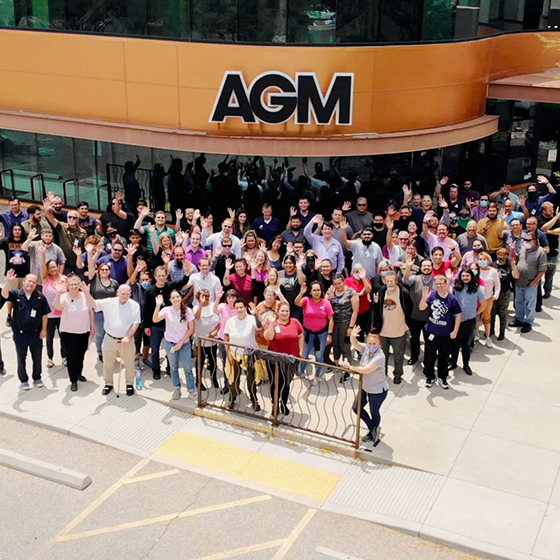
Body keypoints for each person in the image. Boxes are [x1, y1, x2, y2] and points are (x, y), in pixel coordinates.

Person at [83, 283, 140, 396]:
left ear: (130, 294)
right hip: (110, 338)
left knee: (129, 363)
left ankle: (129, 384)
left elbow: (136, 323)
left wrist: (128, 337)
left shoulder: (134, 305)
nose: (124, 296)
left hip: (126, 340)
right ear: (117, 292)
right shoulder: (109, 302)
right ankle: (108, 383)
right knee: (108, 363)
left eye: (127, 294)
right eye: (122, 293)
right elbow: (93, 304)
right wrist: (86, 292)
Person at [1, 271, 50, 390]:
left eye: (34, 282)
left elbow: (44, 315)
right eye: (29, 281)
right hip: (20, 335)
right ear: (24, 282)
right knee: (21, 357)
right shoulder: (16, 294)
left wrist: (44, 330)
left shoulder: (40, 297)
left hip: (35, 334)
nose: (31, 284)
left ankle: (37, 377)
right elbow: (4, 295)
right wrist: (8, 282)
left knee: (37, 357)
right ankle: (23, 380)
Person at [143, 266, 190, 380]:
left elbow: (182, 282)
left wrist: (187, 274)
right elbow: (146, 310)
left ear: (166, 276)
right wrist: (147, 326)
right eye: (159, 276)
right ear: (154, 277)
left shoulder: (170, 286)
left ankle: (170, 369)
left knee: (170, 349)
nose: (161, 278)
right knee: (155, 350)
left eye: (163, 276)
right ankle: (156, 370)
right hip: (155, 326)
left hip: (169, 325)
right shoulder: (149, 291)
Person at [419, 275, 461, 389]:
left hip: (445, 335)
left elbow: (458, 315)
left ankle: (442, 377)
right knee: (429, 357)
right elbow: (421, 308)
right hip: (431, 333)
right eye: (437, 284)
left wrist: (455, 331)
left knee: (443, 358)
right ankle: (430, 376)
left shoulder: (452, 299)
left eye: (441, 283)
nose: (439, 286)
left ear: (446, 283)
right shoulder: (431, 295)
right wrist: (424, 297)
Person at [53, 276, 95, 391]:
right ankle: (73, 380)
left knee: (81, 354)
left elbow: (91, 311)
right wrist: (57, 293)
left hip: (83, 331)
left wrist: (92, 326)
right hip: (68, 332)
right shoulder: (63, 297)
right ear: (67, 286)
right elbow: (57, 307)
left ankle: (78, 373)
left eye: (76, 284)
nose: (74, 286)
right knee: (71, 357)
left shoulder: (85, 296)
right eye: (71, 284)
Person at [153, 291, 196, 400]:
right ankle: (177, 389)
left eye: (177, 297)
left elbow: (191, 329)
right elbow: (155, 319)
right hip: (170, 344)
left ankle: (191, 390)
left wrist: (180, 343)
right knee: (173, 368)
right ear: (170, 300)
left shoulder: (187, 311)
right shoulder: (166, 310)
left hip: (184, 344)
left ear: (181, 298)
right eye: (173, 297)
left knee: (187, 369)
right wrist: (158, 305)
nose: (176, 299)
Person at [371, 271, 412, 384]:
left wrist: (407, 325)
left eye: (391, 281)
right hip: (383, 332)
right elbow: (377, 311)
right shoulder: (381, 291)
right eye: (387, 281)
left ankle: (398, 374)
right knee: (382, 356)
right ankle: (382, 373)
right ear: (384, 281)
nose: (389, 283)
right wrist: (375, 303)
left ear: (396, 281)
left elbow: (409, 309)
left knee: (398, 356)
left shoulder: (403, 293)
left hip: (398, 332)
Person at [349, 326, 388, 446]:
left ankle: (373, 431)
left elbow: (365, 370)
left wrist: (349, 367)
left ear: (379, 343)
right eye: (369, 343)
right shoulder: (366, 349)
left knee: (374, 411)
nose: (371, 345)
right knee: (356, 408)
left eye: (374, 343)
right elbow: (355, 344)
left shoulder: (379, 357)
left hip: (377, 390)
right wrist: (352, 335)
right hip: (365, 388)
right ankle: (373, 429)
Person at [263, 302, 304, 415]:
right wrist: (271, 324)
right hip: (274, 361)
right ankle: (274, 405)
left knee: (286, 384)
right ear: (278, 312)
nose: (285, 313)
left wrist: (300, 351)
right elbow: (268, 337)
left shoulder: (295, 322)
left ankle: (283, 404)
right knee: (275, 384)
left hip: (290, 361)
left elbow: (300, 336)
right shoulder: (272, 323)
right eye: (282, 311)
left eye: (287, 311)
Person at [224, 298, 261, 411]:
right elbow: (226, 337)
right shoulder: (230, 321)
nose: (239, 310)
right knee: (233, 380)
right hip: (234, 354)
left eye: (241, 307)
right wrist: (228, 353)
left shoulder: (251, 319)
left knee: (251, 381)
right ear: (234, 309)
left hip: (249, 356)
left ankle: (254, 401)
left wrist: (255, 314)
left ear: (245, 308)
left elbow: (259, 327)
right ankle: (232, 399)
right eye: (237, 308)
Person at [295, 281, 334, 381]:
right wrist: (301, 293)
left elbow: (331, 319)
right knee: (304, 354)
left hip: (322, 334)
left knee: (319, 355)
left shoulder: (326, 303)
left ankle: (317, 374)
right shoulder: (306, 300)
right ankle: (301, 371)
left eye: (318, 290)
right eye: (314, 290)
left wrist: (329, 334)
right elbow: (297, 303)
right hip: (308, 333)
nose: (316, 292)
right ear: (311, 292)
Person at [449, 269, 485, 376]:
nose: (465, 278)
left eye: (467, 276)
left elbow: (483, 305)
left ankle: (466, 365)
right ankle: (453, 363)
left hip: (469, 321)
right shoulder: (456, 288)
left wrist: (474, 313)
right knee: (454, 344)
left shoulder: (477, 289)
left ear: (471, 277)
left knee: (466, 345)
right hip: (456, 320)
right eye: (463, 276)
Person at [510, 231, 547, 333]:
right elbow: (516, 259)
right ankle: (519, 319)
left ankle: (528, 322)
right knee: (518, 302)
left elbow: (543, 269)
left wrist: (535, 282)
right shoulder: (522, 248)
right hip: (519, 281)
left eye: (528, 240)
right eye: (524, 240)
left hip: (530, 283)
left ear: (535, 241)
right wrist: (512, 251)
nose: (525, 242)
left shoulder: (541, 252)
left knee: (530, 304)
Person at [403, 258, 434, 366]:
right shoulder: (415, 279)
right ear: (420, 268)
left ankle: (428, 360)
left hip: (429, 318)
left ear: (432, 267)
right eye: (424, 266)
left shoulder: (436, 281)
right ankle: (414, 356)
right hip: (414, 316)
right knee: (414, 339)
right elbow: (405, 280)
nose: (426, 268)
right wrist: (408, 267)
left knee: (429, 341)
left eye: (428, 266)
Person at [43, 196, 87, 272]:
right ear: (67, 218)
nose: (71, 219)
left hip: (78, 261)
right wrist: (47, 209)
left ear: (77, 219)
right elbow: (51, 218)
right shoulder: (62, 226)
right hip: (64, 261)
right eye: (70, 217)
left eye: (74, 218)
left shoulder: (83, 232)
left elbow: (86, 246)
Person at [328, 274, 358, 380]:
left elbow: (355, 311)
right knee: (335, 344)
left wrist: (350, 327)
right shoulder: (331, 292)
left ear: (343, 281)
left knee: (345, 346)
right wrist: (330, 297)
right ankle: (336, 364)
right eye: (335, 284)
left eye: (339, 283)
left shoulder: (351, 292)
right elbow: (326, 306)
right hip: (334, 323)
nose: (337, 286)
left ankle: (347, 370)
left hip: (346, 324)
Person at [88, 262, 118, 361]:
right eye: (102, 269)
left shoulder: (114, 283)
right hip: (98, 312)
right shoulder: (94, 281)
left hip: (111, 313)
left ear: (109, 271)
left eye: (106, 269)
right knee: (100, 333)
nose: (104, 271)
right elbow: (90, 266)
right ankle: (100, 352)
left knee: (111, 333)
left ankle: (110, 351)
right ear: (99, 271)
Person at [41, 256, 67, 368]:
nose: (52, 269)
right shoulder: (46, 279)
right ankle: (50, 358)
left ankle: (64, 357)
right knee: (49, 337)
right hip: (49, 314)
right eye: (50, 267)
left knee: (64, 337)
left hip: (63, 313)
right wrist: (43, 254)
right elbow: (42, 267)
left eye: (54, 266)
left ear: (58, 267)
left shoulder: (65, 279)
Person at [193, 289, 221, 389]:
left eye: (207, 296)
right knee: (200, 362)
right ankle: (198, 381)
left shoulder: (214, 305)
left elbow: (220, 322)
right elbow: (197, 316)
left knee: (213, 362)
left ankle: (214, 379)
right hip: (200, 341)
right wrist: (201, 303)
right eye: (203, 297)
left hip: (212, 341)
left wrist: (215, 332)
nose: (206, 299)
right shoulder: (196, 308)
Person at [476, 252, 501, 347]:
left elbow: (497, 285)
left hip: (487, 299)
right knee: (477, 318)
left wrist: (495, 296)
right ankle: (476, 335)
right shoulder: (476, 270)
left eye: (484, 259)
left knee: (487, 318)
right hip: (477, 299)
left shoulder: (493, 271)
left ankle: (487, 337)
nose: (482, 261)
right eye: (480, 259)